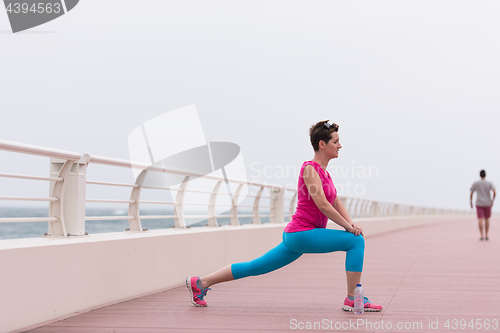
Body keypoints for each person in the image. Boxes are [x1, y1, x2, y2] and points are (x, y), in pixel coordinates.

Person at [186, 120, 382, 312]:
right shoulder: (309, 169)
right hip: (303, 233)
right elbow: (323, 204)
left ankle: (201, 283)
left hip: (298, 236)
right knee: (355, 242)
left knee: (256, 267)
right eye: (335, 141)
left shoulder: (324, 173)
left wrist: (352, 223)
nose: (340, 145)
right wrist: (349, 228)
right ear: (322, 145)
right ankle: (352, 299)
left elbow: (335, 202)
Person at [470, 170, 496, 240]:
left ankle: (481, 235)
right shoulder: (489, 183)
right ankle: (486, 235)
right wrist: (492, 200)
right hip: (488, 203)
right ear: (485, 175)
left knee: (480, 219)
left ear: (480, 175)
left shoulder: (476, 183)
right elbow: (494, 191)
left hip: (479, 203)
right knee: (487, 219)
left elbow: (471, 192)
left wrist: (471, 202)